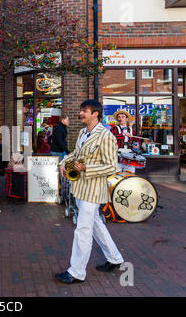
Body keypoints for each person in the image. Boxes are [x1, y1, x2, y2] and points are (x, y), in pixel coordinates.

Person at [55, 100, 124, 284]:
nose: (81, 114)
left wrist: (87, 168)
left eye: (84, 111)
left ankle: (76, 272)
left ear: (95, 114)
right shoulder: (82, 132)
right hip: (80, 187)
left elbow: (111, 166)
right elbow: (76, 154)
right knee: (96, 224)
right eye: (81, 110)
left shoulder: (106, 136)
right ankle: (115, 259)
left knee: (83, 230)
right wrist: (63, 162)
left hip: (93, 190)